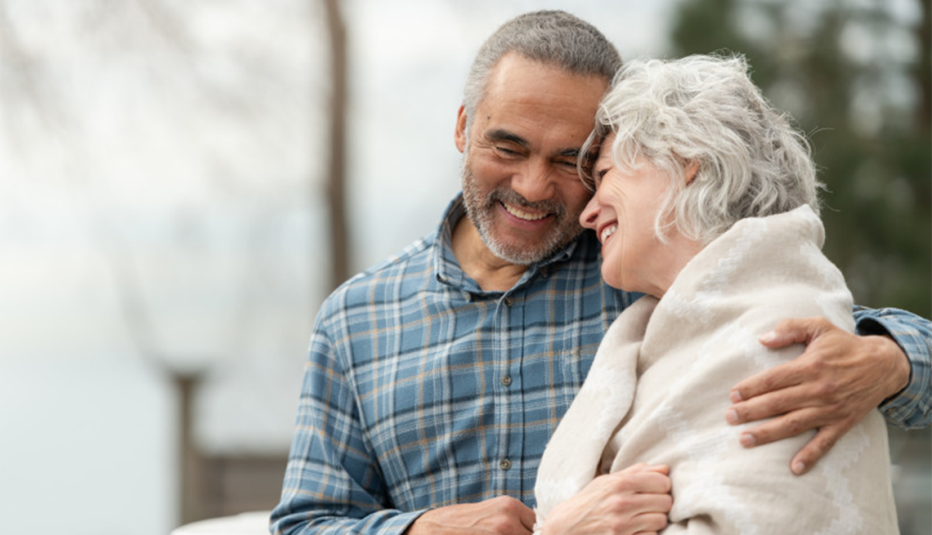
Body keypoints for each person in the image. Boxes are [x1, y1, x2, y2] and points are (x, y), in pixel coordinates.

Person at [270, 10, 932, 535]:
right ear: (463, 128)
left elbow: (784, 299)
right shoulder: (356, 319)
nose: (532, 187)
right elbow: (304, 521)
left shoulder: (644, 266)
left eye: (570, 161)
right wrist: (420, 530)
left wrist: (889, 358)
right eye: (507, 147)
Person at [533, 53, 898, 534]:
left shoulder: (785, 331)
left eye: (604, 177)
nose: (588, 213)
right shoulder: (674, 333)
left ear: (684, 162)